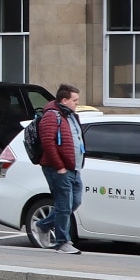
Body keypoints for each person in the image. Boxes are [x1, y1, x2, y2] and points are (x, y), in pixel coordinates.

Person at [36, 83, 86, 255]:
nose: (77, 104)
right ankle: (62, 242)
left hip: (74, 168)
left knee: (74, 202)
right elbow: (48, 143)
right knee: (64, 205)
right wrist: (60, 167)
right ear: (64, 100)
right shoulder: (51, 116)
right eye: (75, 100)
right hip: (58, 169)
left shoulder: (71, 115)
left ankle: (43, 225)